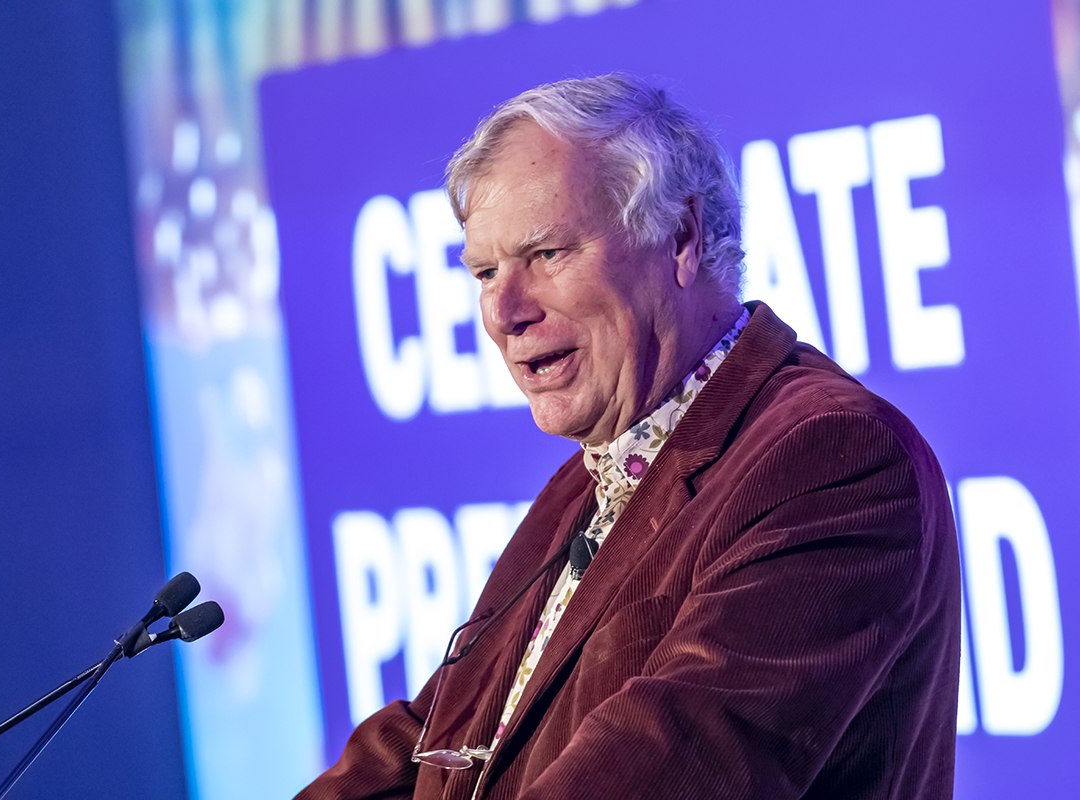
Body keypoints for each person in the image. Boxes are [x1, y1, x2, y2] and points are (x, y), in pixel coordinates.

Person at [298, 74, 959, 800]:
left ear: (681, 236)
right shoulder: (592, 475)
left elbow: (668, 764)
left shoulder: (829, 457)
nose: (503, 311)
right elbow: (438, 735)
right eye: (485, 272)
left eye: (546, 254)